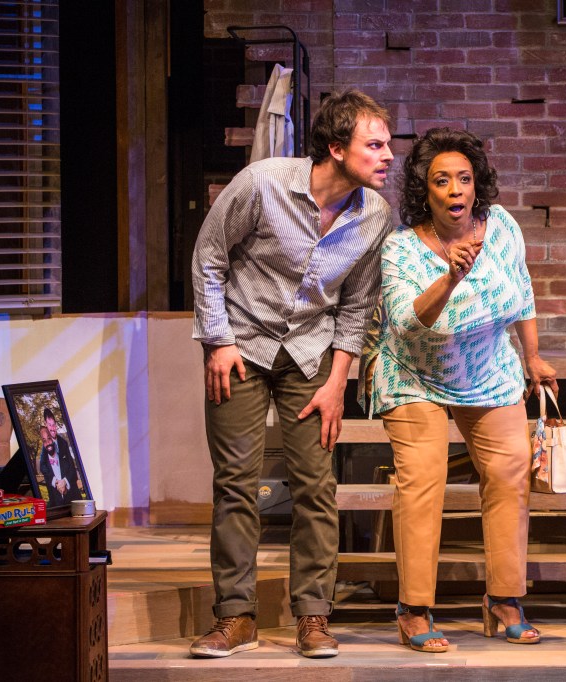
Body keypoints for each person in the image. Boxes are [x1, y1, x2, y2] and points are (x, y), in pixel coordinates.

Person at [189, 90, 395, 659]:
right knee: (236, 482)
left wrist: (338, 382)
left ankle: (313, 615)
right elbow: (208, 258)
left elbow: (358, 303)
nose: (388, 156)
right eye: (375, 145)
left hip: (311, 352)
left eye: (387, 145)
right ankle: (236, 616)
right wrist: (218, 341)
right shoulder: (262, 184)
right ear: (337, 148)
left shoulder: (374, 215)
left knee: (315, 485)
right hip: (242, 345)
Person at [361, 127, 556, 652]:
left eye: (464, 179)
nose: (455, 190)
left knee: (509, 472)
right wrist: (450, 276)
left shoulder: (503, 225)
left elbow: (522, 291)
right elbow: (407, 323)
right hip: (414, 373)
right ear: (424, 190)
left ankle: (504, 600)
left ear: (476, 185)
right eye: (441, 180)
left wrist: (533, 356)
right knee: (423, 477)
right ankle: (414, 608)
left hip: (488, 368)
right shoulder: (401, 248)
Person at [37, 424, 81, 506]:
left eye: (49, 438)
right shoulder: (45, 457)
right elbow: (42, 467)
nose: (47, 442)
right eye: (44, 440)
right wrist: (56, 482)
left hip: (75, 503)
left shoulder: (63, 445)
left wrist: (65, 482)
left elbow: (73, 471)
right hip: (56, 505)